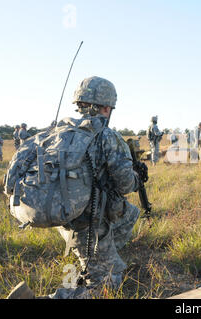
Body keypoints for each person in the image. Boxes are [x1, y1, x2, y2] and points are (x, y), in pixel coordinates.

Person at [8, 76, 144, 299]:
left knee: (129, 214)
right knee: (110, 283)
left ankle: (98, 258)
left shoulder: (55, 133)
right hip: (87, 223)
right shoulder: (107, 136)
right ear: (107, 107)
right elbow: (126, 184)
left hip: (65, 213)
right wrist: (137, 177)